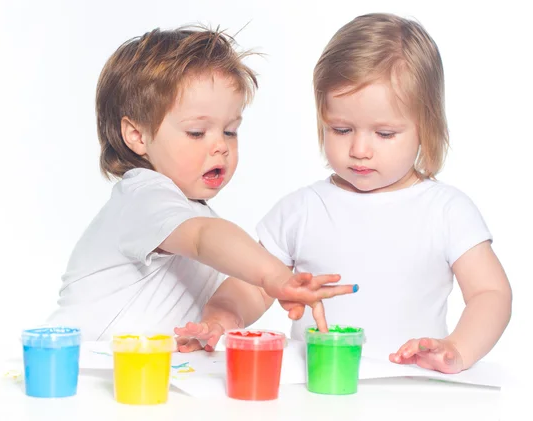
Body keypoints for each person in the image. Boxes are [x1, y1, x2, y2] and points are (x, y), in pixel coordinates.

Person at [176, 14, 512, 373]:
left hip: (413, 389)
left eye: (384, 134)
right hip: (318, 388)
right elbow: (253, 286)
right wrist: (220, 319)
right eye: (341, 129)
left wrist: (457, 349)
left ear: (426, 128)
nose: (360, 149)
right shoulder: (302, 209)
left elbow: (490, 294)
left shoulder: (447, 211)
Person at [45, 25, 356, 342]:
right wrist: (276, 276)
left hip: (134, 377)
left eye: (230, 131)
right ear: (137, 136)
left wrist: (222, 319)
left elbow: (242, 280)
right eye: (197, 132)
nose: (220, 146)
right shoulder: (144, 197)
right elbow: (203, 239)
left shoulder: (193, 213)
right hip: (79, 368)